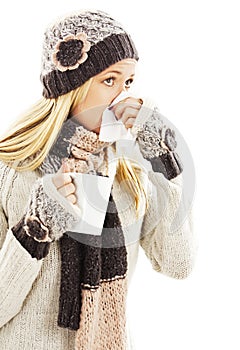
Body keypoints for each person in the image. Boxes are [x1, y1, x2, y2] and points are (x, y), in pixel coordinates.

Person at [0, 9, 196, 350]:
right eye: (110, 80)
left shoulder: (129, 171)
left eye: (129, 82)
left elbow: (178, 263)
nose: (122, 97)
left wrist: (163, 155)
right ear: (72, 87)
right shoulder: (15, 171)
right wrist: (37, 226)